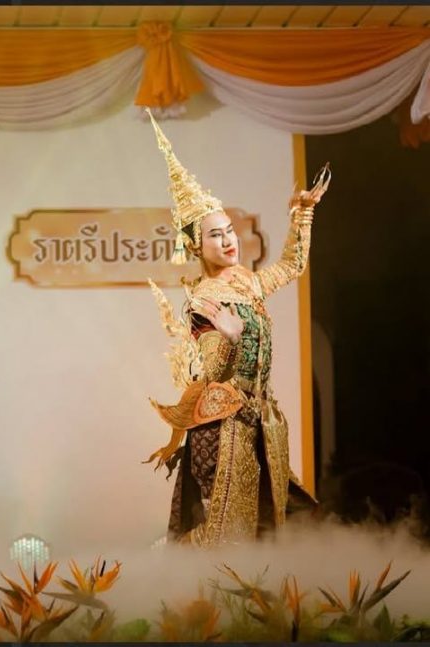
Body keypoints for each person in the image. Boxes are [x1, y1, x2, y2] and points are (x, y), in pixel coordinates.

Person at [144, 114, 326, 547]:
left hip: (260, 422)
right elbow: (211, 376)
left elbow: (292, 266)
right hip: (223, 429)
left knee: (275, 528)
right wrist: (228, 339)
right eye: (215, 235)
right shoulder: (203, 299)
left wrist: (302, 213)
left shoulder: (245, 282)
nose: (228, 241)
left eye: (229, 231)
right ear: (195, 244)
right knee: (226, 536)